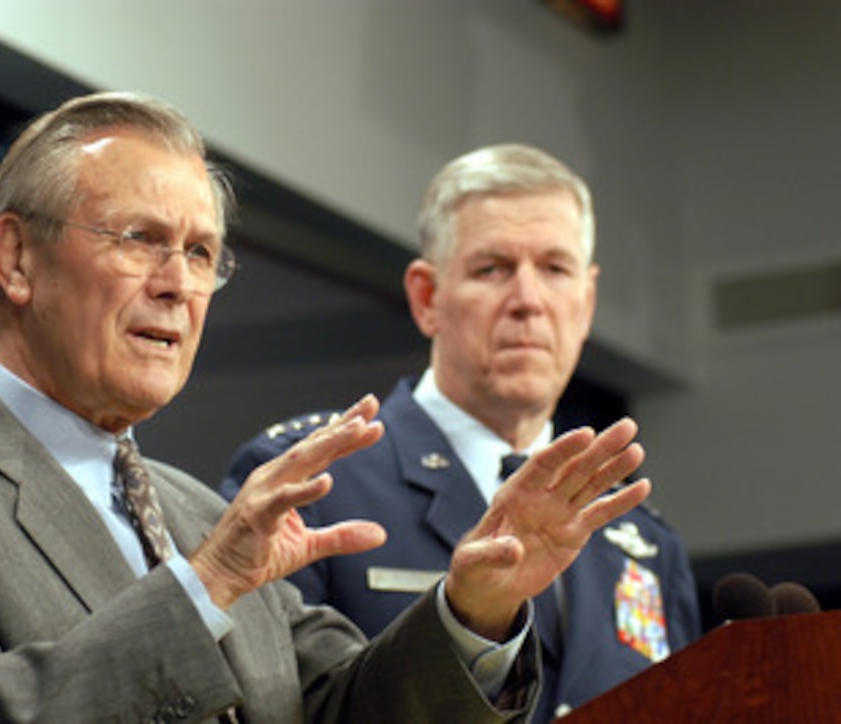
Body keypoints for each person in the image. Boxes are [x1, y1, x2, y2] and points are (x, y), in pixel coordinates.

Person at [0, 94, 653, 723]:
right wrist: (203, 589)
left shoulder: (193, 507)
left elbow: (343, 712)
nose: (178, 285)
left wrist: (474, 610)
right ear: (16, 259)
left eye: (201, 253)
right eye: (140, 240)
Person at [221, 144, 701, 721]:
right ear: (428, 298)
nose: (528, 300)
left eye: (555, 268)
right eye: (492, 269)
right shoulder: (314, 481)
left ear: (587, 299)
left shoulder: (641, 541)